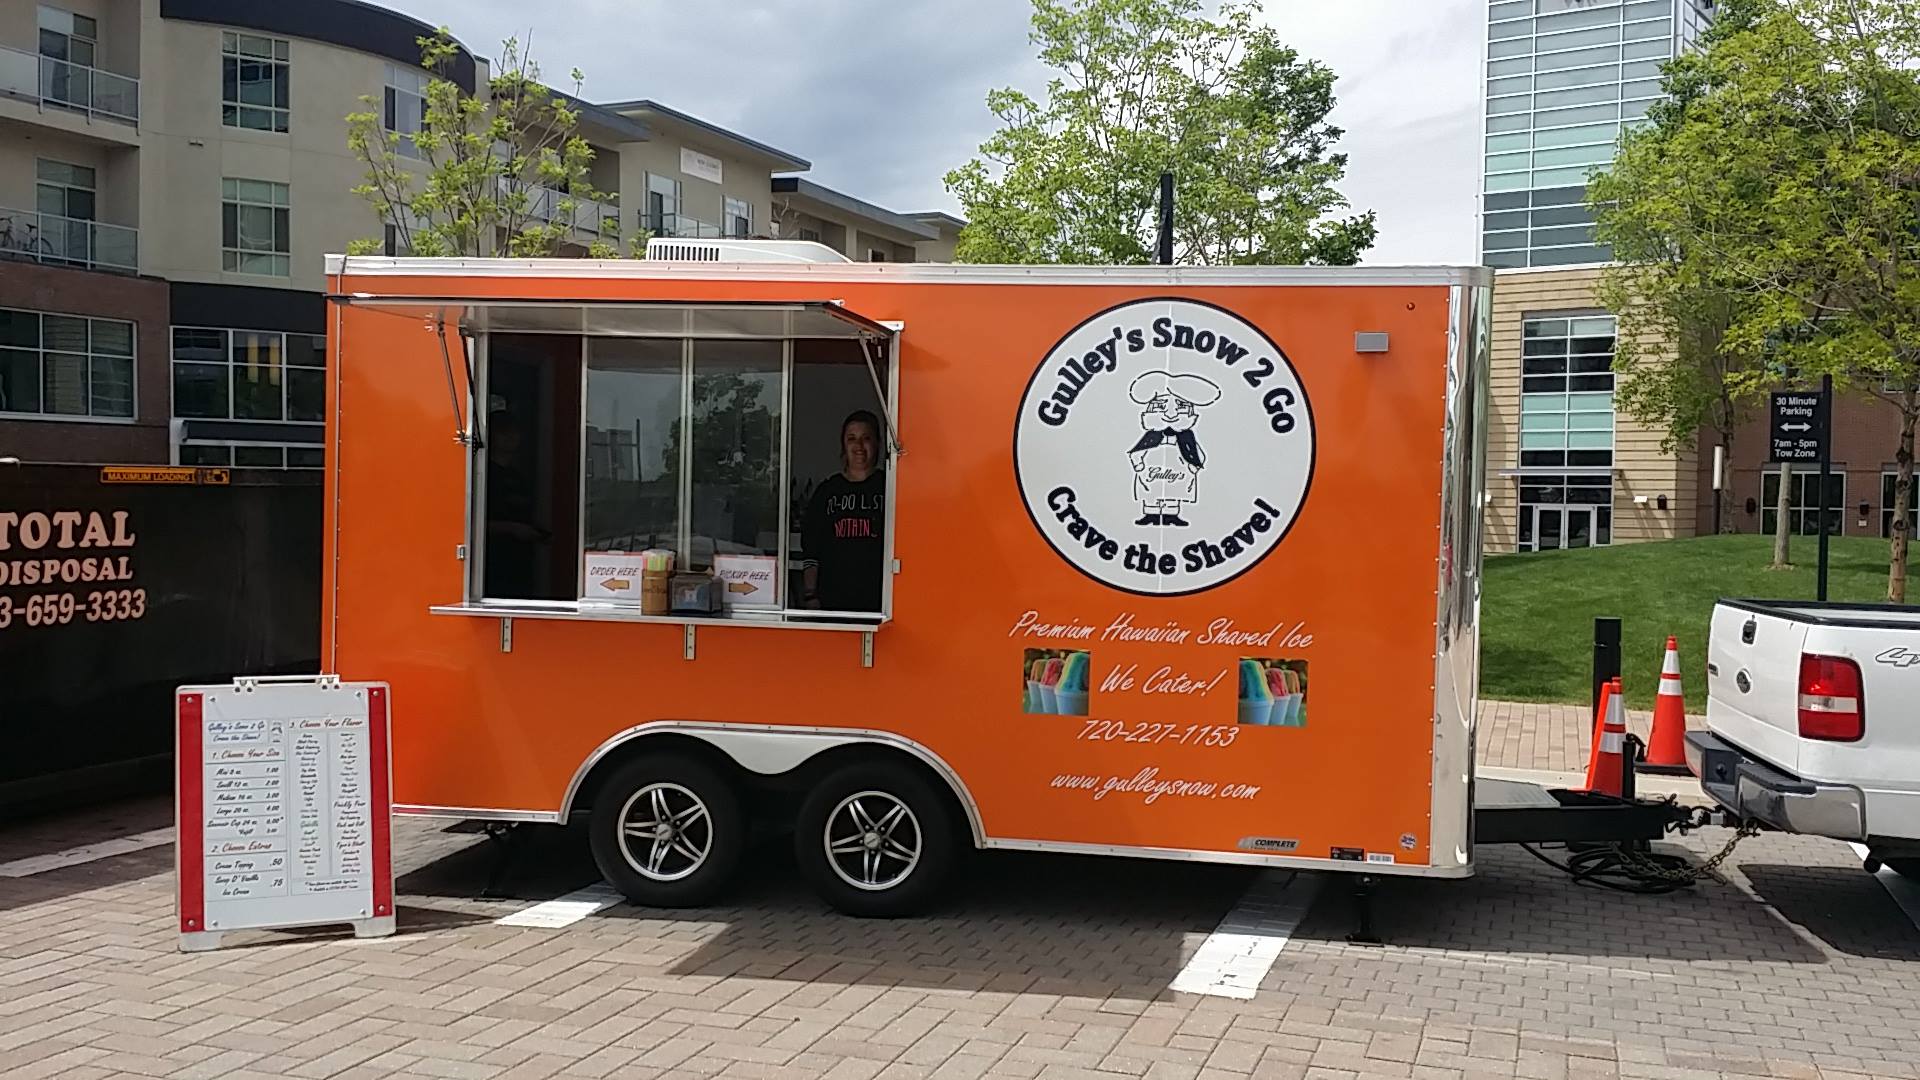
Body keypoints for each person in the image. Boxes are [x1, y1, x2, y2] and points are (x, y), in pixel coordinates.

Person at [801, 410, 886, 613]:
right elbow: (812, 549)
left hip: (880, 603)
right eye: (851, 439)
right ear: (843, 445)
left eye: (866, 438)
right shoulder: (827, 491)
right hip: (832, 600)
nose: (859, 447)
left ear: (877, 444)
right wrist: (810, 594)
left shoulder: (890, 487)